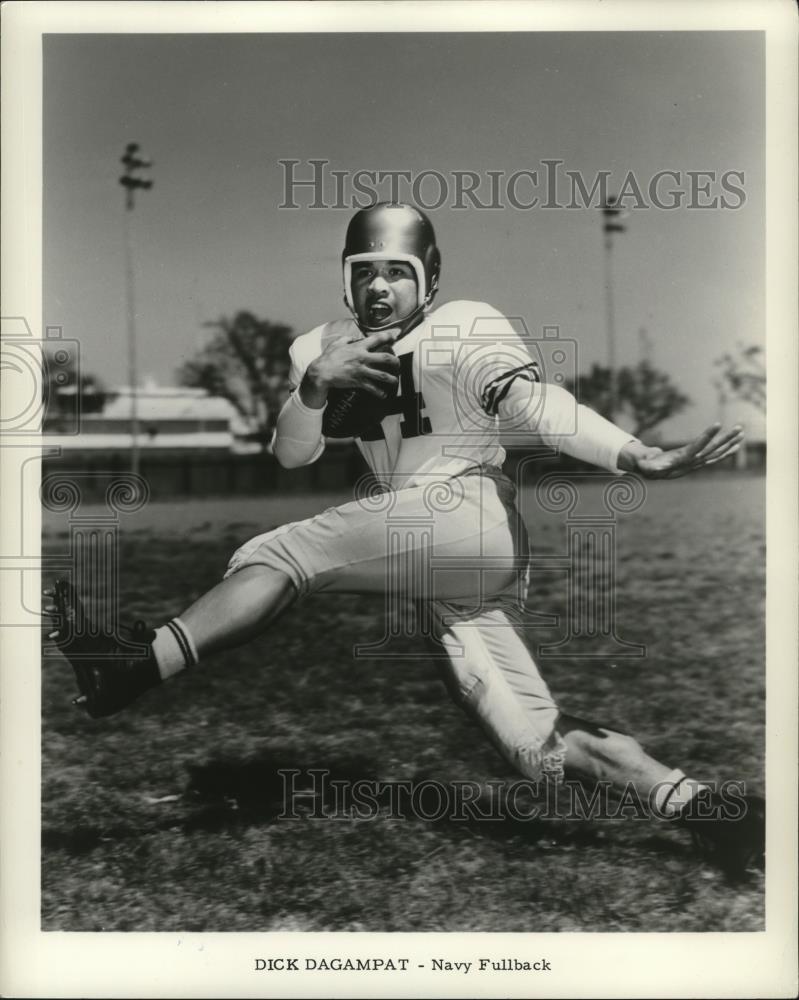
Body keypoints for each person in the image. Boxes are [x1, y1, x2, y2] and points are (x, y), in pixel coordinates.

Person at [45, 202, 764, 876]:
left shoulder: (463, 326)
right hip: (439, 552)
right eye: (363, 270)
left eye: (396, 271)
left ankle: (132, 664)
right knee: (534, 745)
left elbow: (532, 404)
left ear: (431, 277)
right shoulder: (321, 348)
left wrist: (630, 453)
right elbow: (291, 453)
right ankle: (712, 810)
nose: (379, 286)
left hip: (463, 513)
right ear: (345, 278)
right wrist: (313, 390)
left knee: (280, 555)